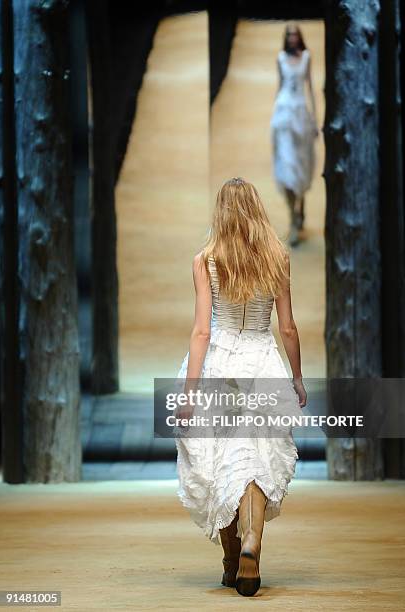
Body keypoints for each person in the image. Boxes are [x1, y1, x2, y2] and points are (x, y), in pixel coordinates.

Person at [174, 177, 307, 597]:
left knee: (218, 460)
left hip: (220, 362)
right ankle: (252, 542)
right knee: (254, 457)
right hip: (262, 360)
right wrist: (297, 376)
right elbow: (286, 327)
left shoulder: (206, 260)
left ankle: (232, 561)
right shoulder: (277, 257)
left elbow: (201, 331)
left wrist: (190, 391)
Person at [270, 22, 318, 247]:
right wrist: (274, 117)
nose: (291, 39)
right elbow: (279, 87)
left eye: (295, 35)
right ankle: (293, 220)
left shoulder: (307, 57)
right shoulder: (280, 58)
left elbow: (310, 88)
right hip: (284, 115)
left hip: (301, 115)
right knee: (287, 165)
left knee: (302, 164)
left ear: (299, 37)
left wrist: (315, 119)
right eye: (288, 35)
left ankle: (301, 207)